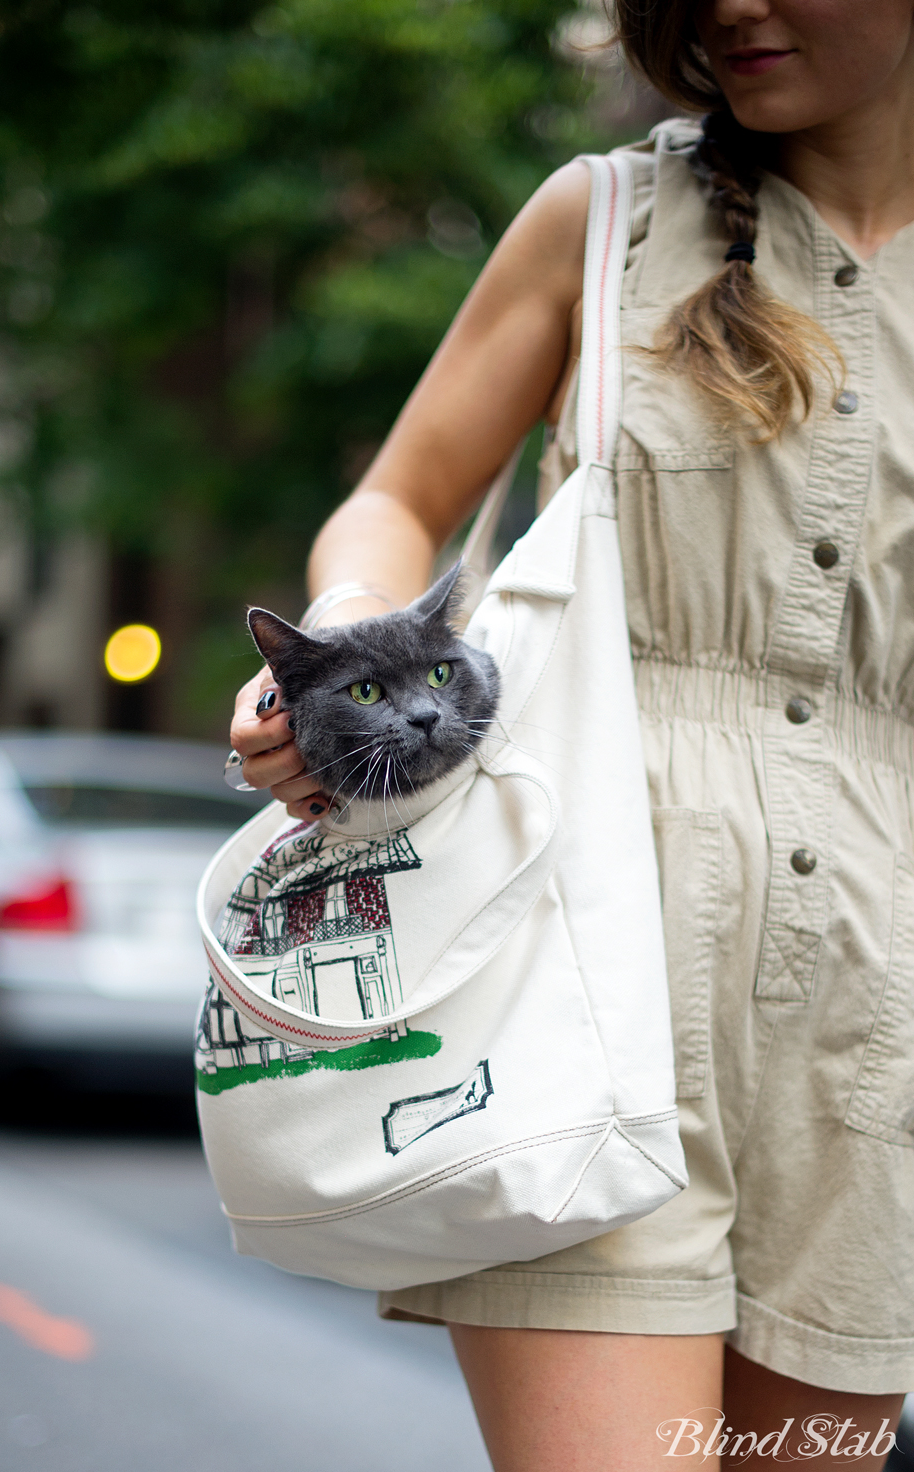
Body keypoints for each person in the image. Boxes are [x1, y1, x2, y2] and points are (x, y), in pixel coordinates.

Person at [228, 2, 914, 1466]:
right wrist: (347, 641)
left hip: (883, 1030)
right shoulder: (602, 218)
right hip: (587, 973)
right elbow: (395, 499)